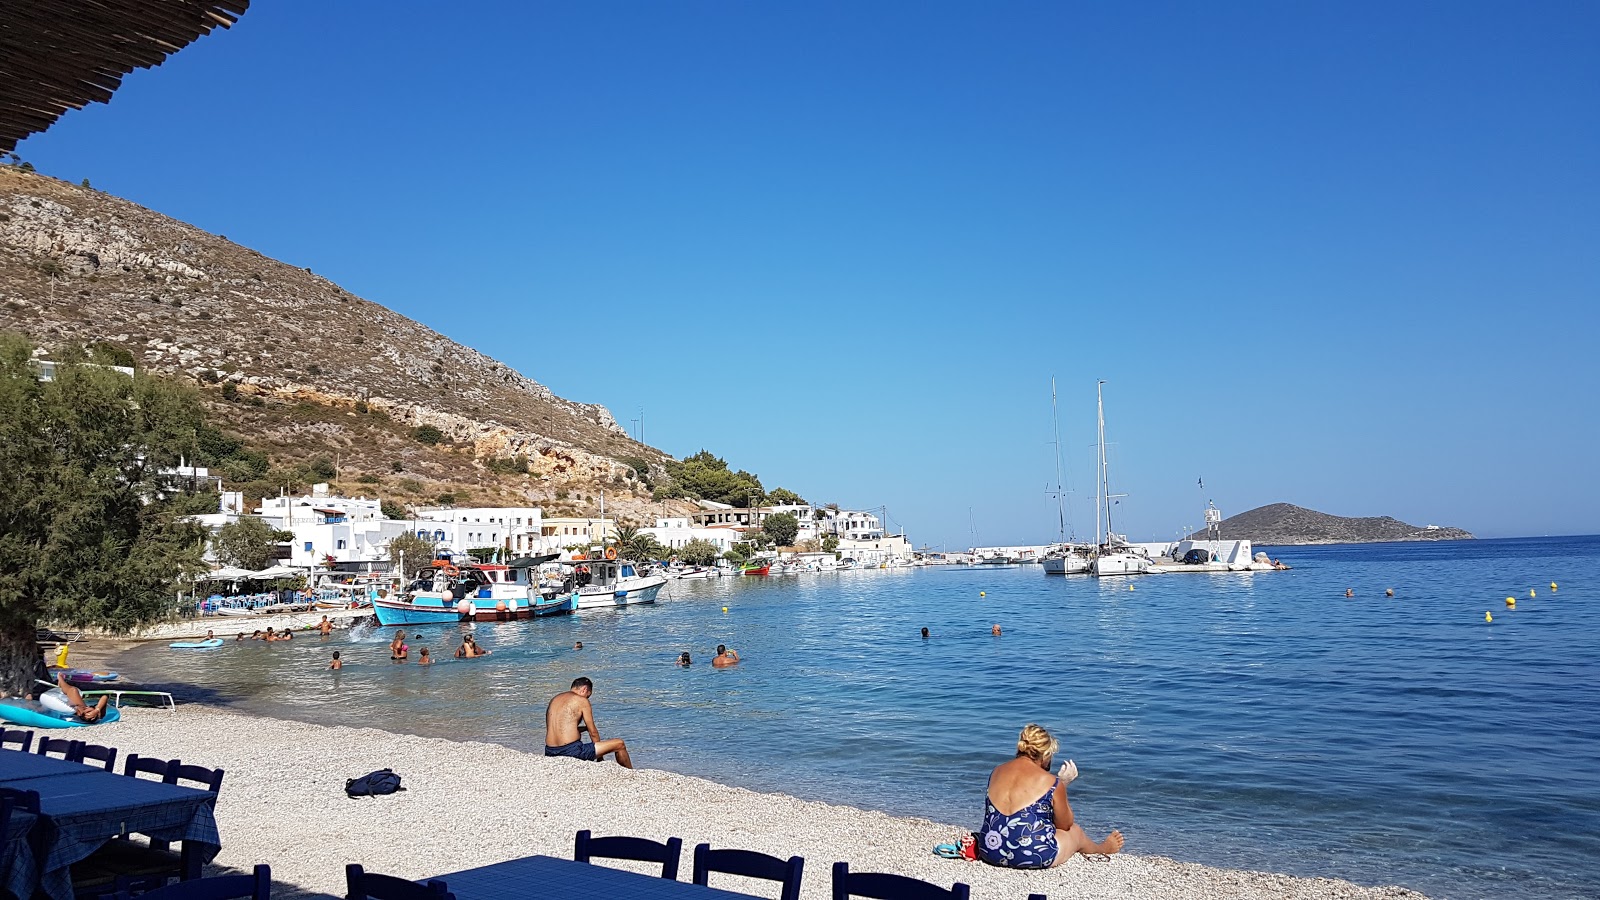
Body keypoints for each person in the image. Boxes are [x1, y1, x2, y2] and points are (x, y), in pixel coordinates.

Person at [976, 724, 1123, 869]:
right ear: (1045, 754)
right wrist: (1062, 784)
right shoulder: (1051, 781)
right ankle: (1102, 848)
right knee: (1076, 832)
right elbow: (1064, 825)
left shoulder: (997, 771)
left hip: (990, 849)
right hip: (1033, 854)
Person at [544, 676, 632, 768]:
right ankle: (631, 774)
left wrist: (583, 728)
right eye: (588, 696)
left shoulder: (555, 699)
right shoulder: (581, 700)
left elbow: (559, 729)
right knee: (619, 744)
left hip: (550, 751)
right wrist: (600, 758)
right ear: (584, 689)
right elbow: (593, 732)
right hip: (571, 751)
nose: (587, 699)